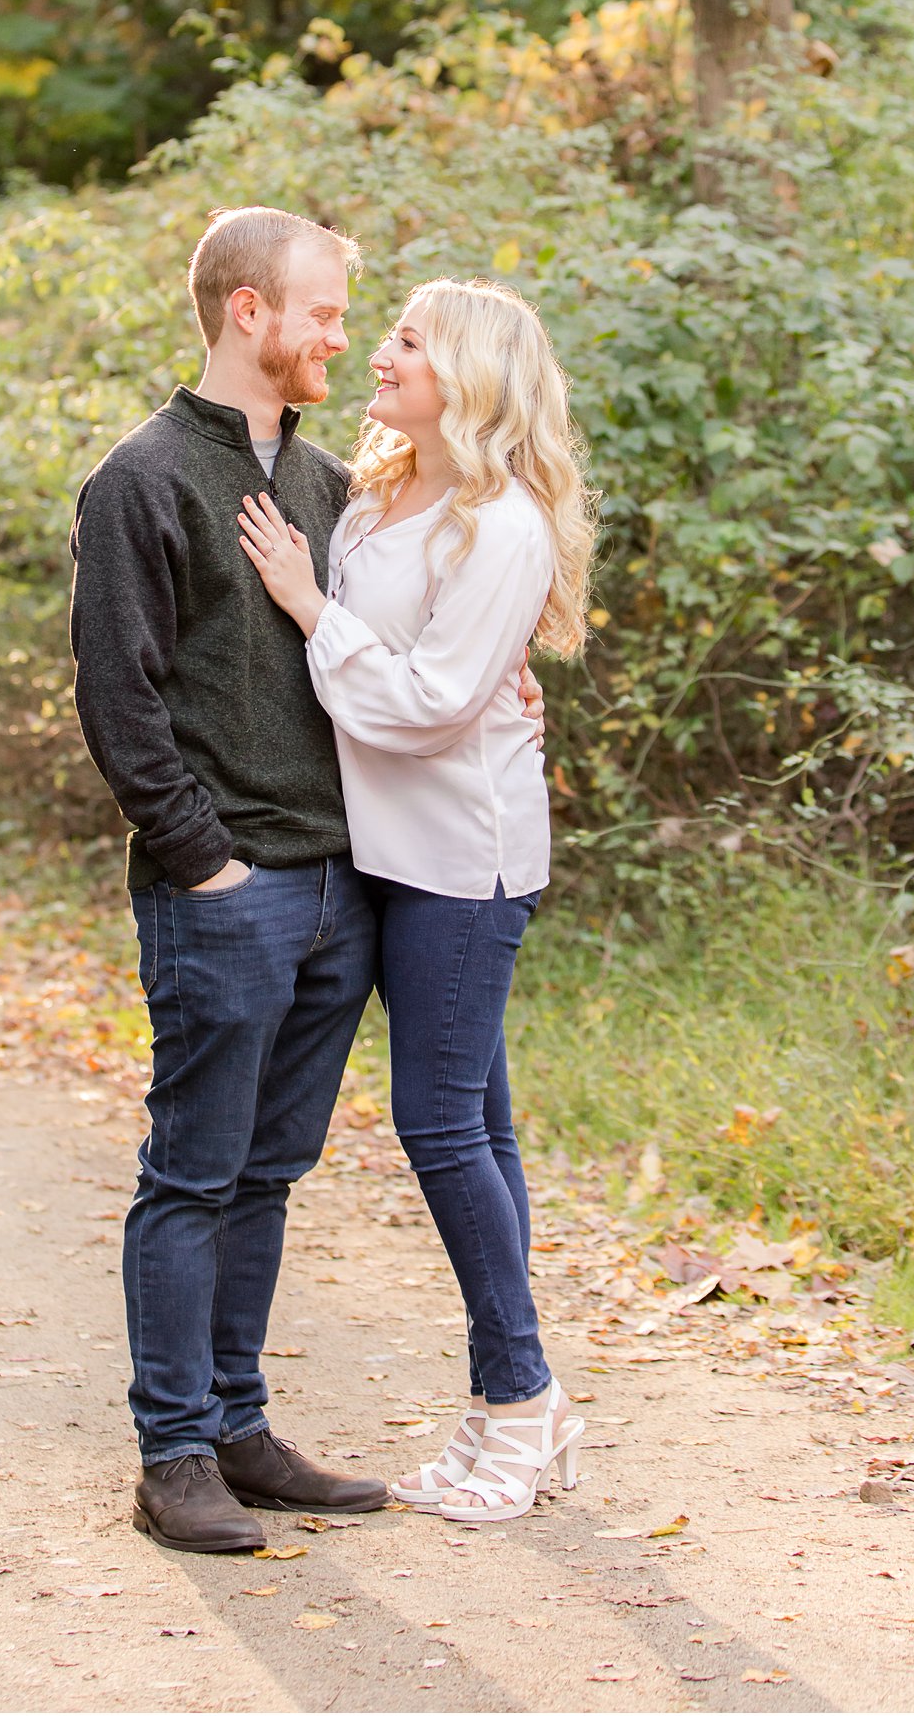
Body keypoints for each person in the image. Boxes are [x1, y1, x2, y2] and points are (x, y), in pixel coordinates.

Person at [68, 208, 543, 1555]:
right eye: (324, 313)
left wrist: (507, 701)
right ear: (246, 315)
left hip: (346, 887)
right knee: (194, 1171)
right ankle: (172, 1454)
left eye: (352, 317)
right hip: (228, 890)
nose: (343, 333)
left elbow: (403, 650)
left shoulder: (337, 485)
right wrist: (203, 862)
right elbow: (122, 701)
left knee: (270, 1172)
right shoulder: (142, 481)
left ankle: (240, 1425)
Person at [236, 276, 597, 1526]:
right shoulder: (380, 490)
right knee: (478, 1126)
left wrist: (308, 607)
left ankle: (517, 1401)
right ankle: (520, 1406)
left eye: (403, 341)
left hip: (462, 862)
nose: (374, 355)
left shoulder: (504, 529)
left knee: (441, 1128)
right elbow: (409, 682)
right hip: (383, 848)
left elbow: (426, 701)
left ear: (471, 376)